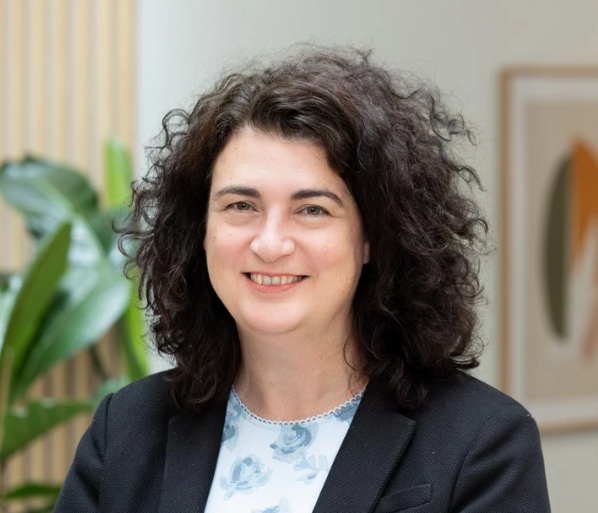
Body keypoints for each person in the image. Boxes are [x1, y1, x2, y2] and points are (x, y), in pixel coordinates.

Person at [55, 47, 551, 512]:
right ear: (200, 231)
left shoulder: (482, 444)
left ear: (372, 238)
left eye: (312, 209)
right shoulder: (124, 431)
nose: (270, 244)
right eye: (241, 206)